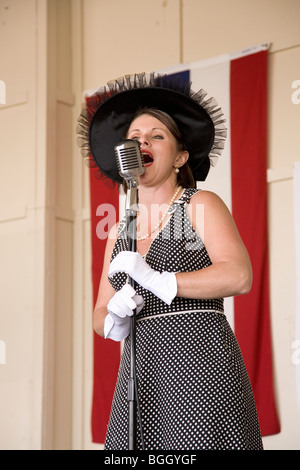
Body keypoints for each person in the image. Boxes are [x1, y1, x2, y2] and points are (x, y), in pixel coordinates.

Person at [77, 72, 264, 450]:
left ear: (180, 156)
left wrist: (163, 281)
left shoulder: (199, 204)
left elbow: (239, 275)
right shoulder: (119, 230)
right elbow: (98, 312)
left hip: (201, 367)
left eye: (156, 136)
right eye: (134, 138)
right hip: (140, 374)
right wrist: (111, 316)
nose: (141, 140)